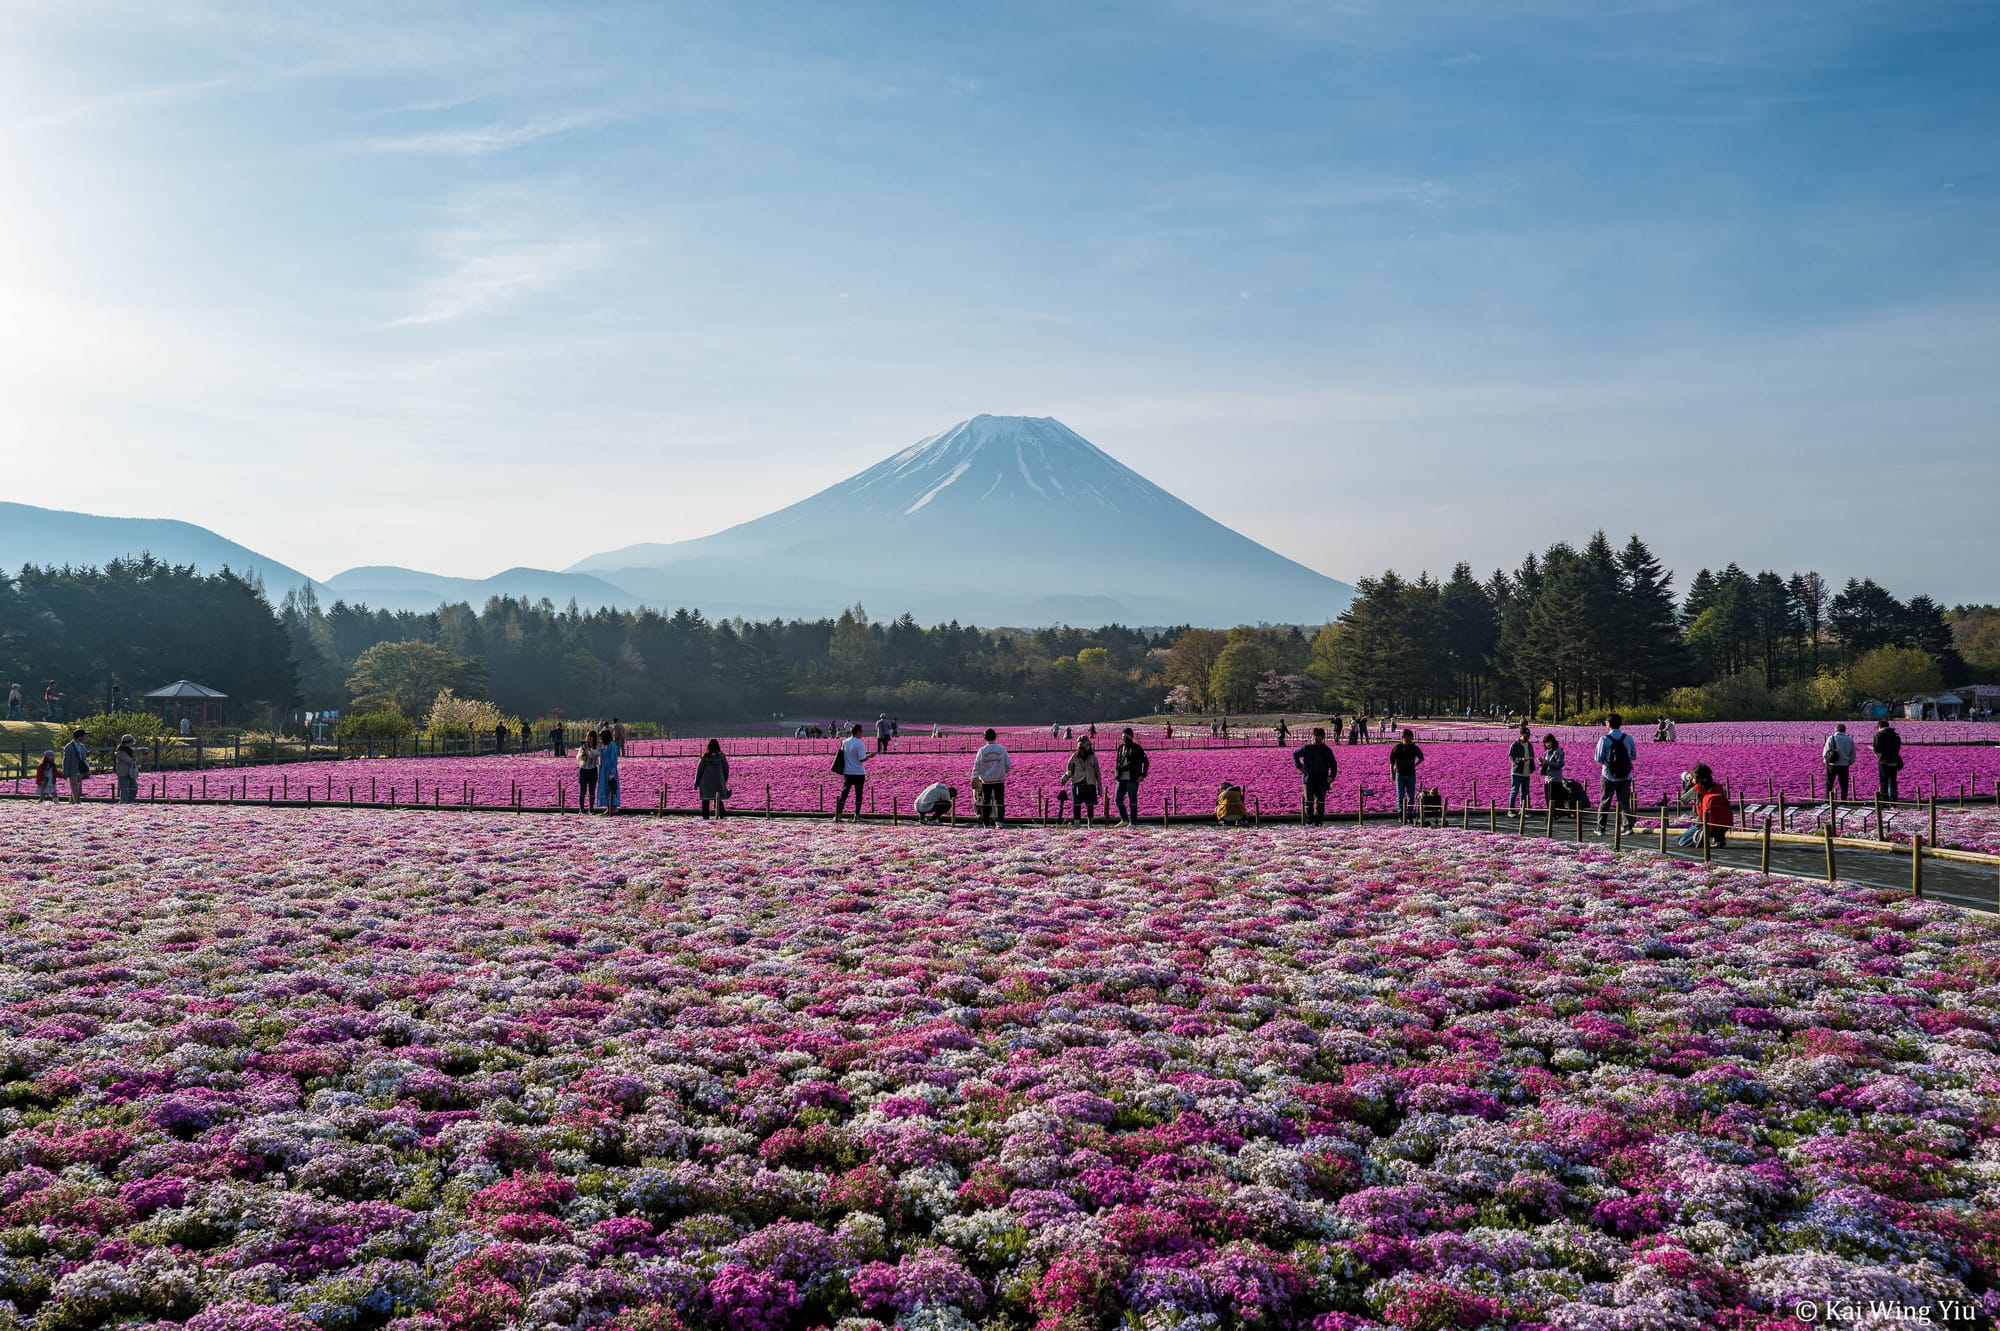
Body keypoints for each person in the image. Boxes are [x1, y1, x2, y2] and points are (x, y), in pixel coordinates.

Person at [1594, 713, 1638, 835]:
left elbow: (1598, 758)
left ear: (1608, 724)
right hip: (1626, 775)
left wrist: (1608, 763)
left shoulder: (1604, 739)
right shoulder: (1629, 738)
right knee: (1624, 801)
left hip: (1608, 775)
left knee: (1605, 801)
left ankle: (1601, 828)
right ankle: (1628, 827)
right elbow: (1633, 756)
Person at [1677, 764, 1732, 849]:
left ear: (1697, 778)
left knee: (1682, 840)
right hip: (1722, 823)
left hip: (1702, 822)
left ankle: (1701, 836)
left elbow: (1683, 799)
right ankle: (1719, 839)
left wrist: (1689, 784)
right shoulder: (1719, 787)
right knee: (1716, 828)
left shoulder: (1697, 788)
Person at [1293, 726, 1337, 825]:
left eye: (1319, 737)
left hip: (1322, 780)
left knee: (1320, 802)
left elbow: (1334, 765)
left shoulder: (1327, 750)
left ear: (1323, 738)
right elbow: (1295, 754)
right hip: (1308, 779)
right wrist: (1299, 766)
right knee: (1309, 802)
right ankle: (1309, 822)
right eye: (1315, 737)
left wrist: (1331, 777)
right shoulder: (1307, 748)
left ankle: (1318, 822)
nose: (1317, 739)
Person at [972, 728, 1011, 826]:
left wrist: (975, 778)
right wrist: (1003, 772)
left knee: (986, 802)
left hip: (986, 781)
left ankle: (986, 823)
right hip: (999, 779)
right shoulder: (1001, 749)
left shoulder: (982, 750)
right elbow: (1008, 764)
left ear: (984, 738)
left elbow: (977, 766)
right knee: (1000, 801)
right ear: (995, 736)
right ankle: (1000, 823)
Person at [1113, 727, 1149, 825]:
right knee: (1117, 799)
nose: (1124, 738)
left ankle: (1133, 823)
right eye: (1123, 736)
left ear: (1131, 736)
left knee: (1132, 801)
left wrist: (1143, 775)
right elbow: (1118, 761)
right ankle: (1124, 819)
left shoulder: (1137, 748)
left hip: (1132, 779)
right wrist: (1116, 772)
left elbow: (1146, 762)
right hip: (1121, 778)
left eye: (1126, 736)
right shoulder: (1120, 747)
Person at [833, 723, 869, 821]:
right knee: (858, 794)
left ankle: (838, 814)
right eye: (861, 731)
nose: (862, 733)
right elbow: (861, 759)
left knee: (844, 793)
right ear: (857, 732)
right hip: (858, 772)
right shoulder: (860, 743)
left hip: (847, 772)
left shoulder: (845, 742)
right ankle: (856, 816)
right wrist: (870, 756)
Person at [1063, 736, 1102, 824]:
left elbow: (1097, 772)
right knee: (1077, 806)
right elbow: (1069, 770)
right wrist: (1065, 778)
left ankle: (1090, 825)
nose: (1089, 747)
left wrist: (1099, 787)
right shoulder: (1074, 757)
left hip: (1090, 783)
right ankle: (1077, 825)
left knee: (1090, 806)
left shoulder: (1092, 756)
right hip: (1077, 784)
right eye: (1087, 745)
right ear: (1081, 746)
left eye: (1089, 745)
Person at [1388, 729, 1425, 820]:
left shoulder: (1414, 747)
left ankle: (1409, 814)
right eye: (1408, 739)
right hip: (1399, 774)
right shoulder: (1397, 748)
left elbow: (1421, 758)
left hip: (1411, 774)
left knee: (1411, 796)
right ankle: (1400, 814)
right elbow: (1391, 762)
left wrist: (1415, 765)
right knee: (1400, 796)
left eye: (1411, 739)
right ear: (1403, 738)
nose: (1410, 741)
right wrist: (1391, 773)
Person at [695, 738, 730, 818]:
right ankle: (722, 817)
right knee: (718, 800)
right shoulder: (721, 757)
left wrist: (697, 782)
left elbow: (699, 770)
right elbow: (726, 769)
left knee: (705, 801)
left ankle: (705, 818)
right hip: (718, 781)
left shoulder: (704, 757)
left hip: (705, 783)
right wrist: (724, 779)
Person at [1507, 725, 1536, 814]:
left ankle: (1522, 810)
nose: (1527, 738)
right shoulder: (1515, 744)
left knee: (1525, 792)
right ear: (1520, 735)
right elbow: (1511, 756)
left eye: (1528, 736)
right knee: (1515, 790)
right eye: (1526, 736)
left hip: (1526, 772)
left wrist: (1533, 766)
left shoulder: (1530, 745)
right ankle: (1511, 810)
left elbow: (1532, 756)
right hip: (1517, 772)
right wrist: (1520, 760)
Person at [1872, 718, 1903, 801]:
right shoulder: (1896, 735)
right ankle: (1894, 800)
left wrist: (1876, 753)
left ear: (1880, 726)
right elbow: (1897, 747)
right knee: (1893, 781)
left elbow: (1876, 748)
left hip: (1883, 761)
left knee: (1883, 782)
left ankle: (1884, 800)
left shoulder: (1879, 735)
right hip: (1894, 760)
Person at [1823, 723, 1856, 800]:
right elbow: (1853, 753)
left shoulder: (1831, 738)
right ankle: (1843, 801)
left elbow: (1826, 752)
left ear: (1835, 730)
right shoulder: (1849, 740)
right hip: (1844, 765)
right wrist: (1850, 762)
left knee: (1829, 783)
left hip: (1832, 764)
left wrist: (1826, 761)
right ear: (1844, 730)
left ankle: (1828, 800)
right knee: (1844, 784)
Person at [61, 728, 89, 804]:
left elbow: (84, 759)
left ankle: (71, 802)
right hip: (72, 770)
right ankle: (77, 803)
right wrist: (65, 772)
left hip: (80, 769)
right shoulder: (69, 746)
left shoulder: (82, 746)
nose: (85, 738)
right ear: (79, 737)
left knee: (76, 786)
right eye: (84, 736)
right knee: (74, 787)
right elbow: (66, 760)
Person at [597, 727, 621, 811]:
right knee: (605, 787)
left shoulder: (612, 745)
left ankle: (613, 806)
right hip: (603, 768)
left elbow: (614, 759)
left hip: (609, 768)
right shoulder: (604, 746)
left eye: (601, 737)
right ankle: (608, 806)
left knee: (611, 787)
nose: (600, 739)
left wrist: (612, 771)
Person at [1539, 733, 1567, 807]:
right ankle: (1550, 814)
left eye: (1548, 742)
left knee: (1553, 799)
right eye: (1545, 742)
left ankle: (1555, 815)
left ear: (1552, 741)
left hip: (1555, 779)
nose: (1547, 744)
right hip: (1547, 778)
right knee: (1548, 798)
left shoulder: (1558, 751)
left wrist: (1547, 762)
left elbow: (1559, 764)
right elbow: (1547, 763)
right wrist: (1542, 763)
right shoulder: (1547, 752)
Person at [577, 730, 600, 810]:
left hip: (592, 770)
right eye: (588, 737)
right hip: (583, 770)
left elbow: (594, 755)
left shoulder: (597, 746)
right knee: (582, 790)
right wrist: (582, 754)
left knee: (592, 790)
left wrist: (589, 750)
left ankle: (591, 808)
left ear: (594, 738)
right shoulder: (583, 746)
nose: (589, 738)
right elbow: (578, 757)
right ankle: (582, 808)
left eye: (591, 737)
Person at [113, 733, 139, 803]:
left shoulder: (128, 750)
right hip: (123, 774)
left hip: (130, 773)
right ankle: (124, 803)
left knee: (134, 788)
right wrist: (138, 758)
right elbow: (130, 761)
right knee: (125, 791)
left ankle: (129, 802)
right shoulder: (120, 752)